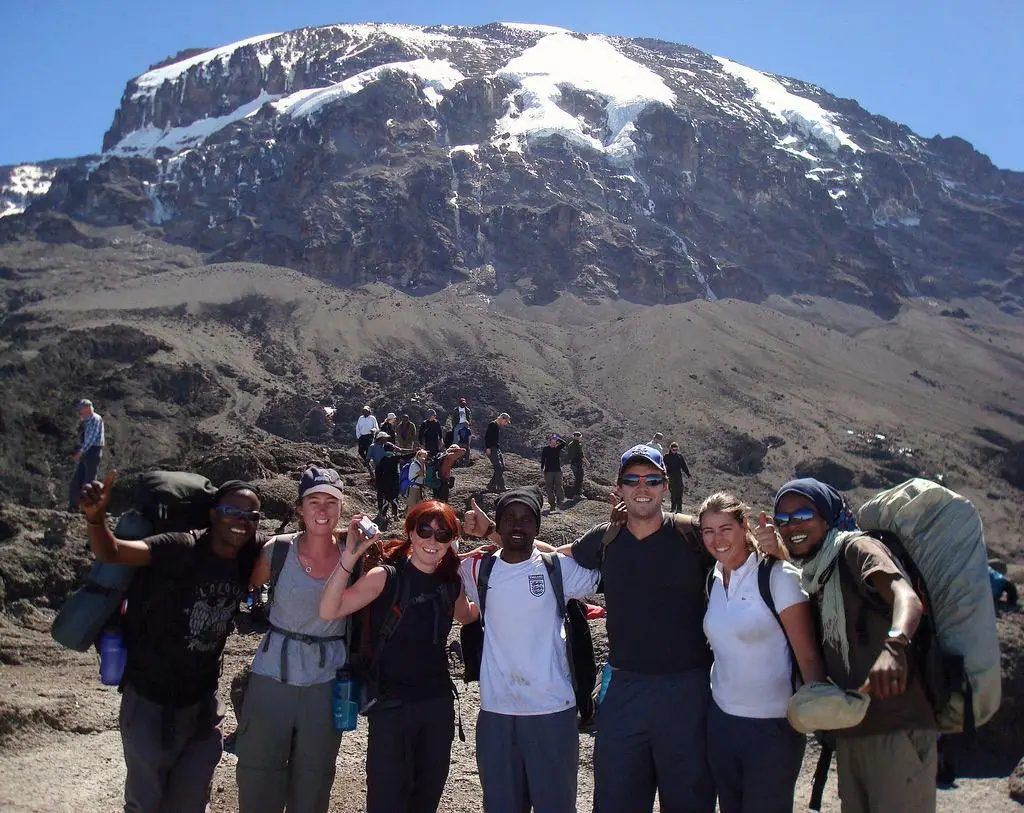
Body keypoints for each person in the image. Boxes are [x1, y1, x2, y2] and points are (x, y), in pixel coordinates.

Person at [78, 473, 264, 813]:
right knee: (145, 802)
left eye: (252, 516)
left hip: (201, 703)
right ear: (212, 514)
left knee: (191, 801)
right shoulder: (180, 546)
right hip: (149, 699)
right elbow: (113, 551)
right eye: (232, 511)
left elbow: (299, 542)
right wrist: (96, 519)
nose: (242, 521)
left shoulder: (247, 557)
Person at [753, 478, 937, 813]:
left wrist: (894, 648)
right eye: (784, 520)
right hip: (853, 728)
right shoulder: (814, 573)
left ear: (827, 517)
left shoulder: (855, 549)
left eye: (804, 514)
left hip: (898, 726)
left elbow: (906, 597)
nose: (792, 525)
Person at [559, 444, 716, 813]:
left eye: (651, 479)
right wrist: (496, 537)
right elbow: (554, 556)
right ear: (619, 488)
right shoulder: (606, 538)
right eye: (632, 479)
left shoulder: (692, 535)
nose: (641, 487)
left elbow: (742, 558)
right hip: (625, 689)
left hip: (688, 689)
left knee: (689, 799)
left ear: (665, 486)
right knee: (616, 797)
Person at [319, 501, 475, 813]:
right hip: (390, 706)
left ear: (451, 540)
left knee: (426, 797)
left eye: (442, 534)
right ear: (410, 532)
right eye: (424, 531)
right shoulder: (384, 576)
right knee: (386, 798)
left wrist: (496, 574)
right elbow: (329, 611)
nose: (432, 541)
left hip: (437, 706)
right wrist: (349, 557)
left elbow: (468, 615)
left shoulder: (450, 583)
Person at [461, 488, 600, 813]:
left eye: (526, 519)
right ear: (498, 523)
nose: (517, 526)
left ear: (538, 527)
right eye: (509, 518)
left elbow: (611, 574)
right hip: (496, 713)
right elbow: (429, 560)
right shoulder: (478, 570)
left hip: (552, 710)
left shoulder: (557, 569)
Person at [700, 492, 825, 813]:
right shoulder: (713, 578)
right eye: (708, 531)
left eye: (726, 528)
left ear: (745, 527)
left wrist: (820, 714)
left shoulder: (778, 578)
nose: (718, 539)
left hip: (773, 728)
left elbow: (808, 655)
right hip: (721, 723)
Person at [236, 466, 347, 813]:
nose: (323, 510)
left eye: (331, 502)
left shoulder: (355, 554)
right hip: (272, 676)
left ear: (341, 509)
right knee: (258, 772)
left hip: (326, 681)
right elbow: (240, 587)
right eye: (314, 501)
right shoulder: (278, 551)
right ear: (300, 508)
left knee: (314, 780)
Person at [68, 398, 105, 510]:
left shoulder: (95, 419)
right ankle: (73, 507)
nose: (80, 413)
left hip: (93, 452)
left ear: (87, 408)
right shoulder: (87, 421)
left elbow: (91, 439)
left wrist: (80, 452)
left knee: (88, 482)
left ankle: (88, 509)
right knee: (76, 481)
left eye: (81, 410)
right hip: (87, 452)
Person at [375, 442, 417, 524]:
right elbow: (406, 456)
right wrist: (416, 452)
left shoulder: (382, 459)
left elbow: (378, 473)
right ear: (392, 449)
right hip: (394, 482)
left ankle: (383, 515)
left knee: (387, 499)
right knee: (394, 499)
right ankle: (395, 515)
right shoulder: (394, 458)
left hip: (385, 482)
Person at [484, 413, 511, 493]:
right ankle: (500, 487)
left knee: (502, 467)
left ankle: (491, 485)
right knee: (498, 467)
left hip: (496, 448)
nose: (505, 424)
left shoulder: (497, 427)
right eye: (505, 421)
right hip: (492, 448)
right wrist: (488, 448)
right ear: (502, 418)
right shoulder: (492, 425)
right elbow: (487, 437)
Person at [539, 433, 567, 511]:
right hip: (548, 471)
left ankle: (560, 503)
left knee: (559, 487)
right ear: (549, 441)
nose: (554, 442)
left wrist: (558, 438)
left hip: (558, 471)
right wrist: (542, 468)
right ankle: (552, 504)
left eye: (555, 441)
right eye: (552, 440)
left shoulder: (557, 448)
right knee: (549, 488)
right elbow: (543, 459)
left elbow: (564, 443)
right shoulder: (546, 449)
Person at [665, 442, 691, 513]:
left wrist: (688, 474)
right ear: (670, 449)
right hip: (670, 476)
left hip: (678, 476)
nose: (675, 451)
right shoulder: (666, 456)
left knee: (679, 492)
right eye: (673, 450)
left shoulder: (679, 456)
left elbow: (683, 465)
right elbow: (663, 466)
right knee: (673, 492)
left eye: (676, 450)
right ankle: (673, 508)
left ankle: (679, 508)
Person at [565, 431, 586, 500]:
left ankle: (576, 494)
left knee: (576, 478)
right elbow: (581, 455)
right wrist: (587, 462)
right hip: (578, 464)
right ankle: (578, 495)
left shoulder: (570, 444)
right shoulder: (578, 445)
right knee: (579, 479)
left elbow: (569, 455)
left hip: (573, 464)